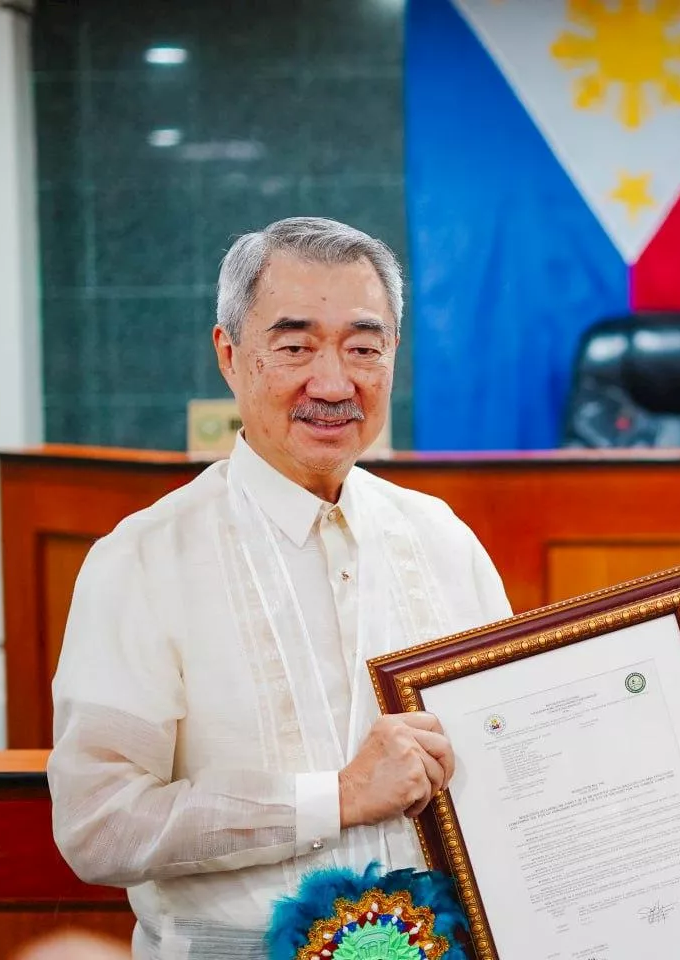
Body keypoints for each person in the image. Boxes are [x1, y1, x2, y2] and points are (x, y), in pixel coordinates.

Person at [48, 218, 512, 960]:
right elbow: (99, 824)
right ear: (229, 356)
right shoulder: (141, 560)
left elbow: (513, 759)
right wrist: (337, 797)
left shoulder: (443, 539)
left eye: (364, 348)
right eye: (295, 347)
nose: (333, 384)